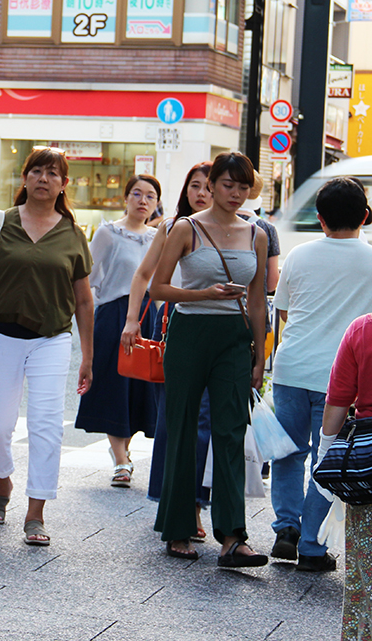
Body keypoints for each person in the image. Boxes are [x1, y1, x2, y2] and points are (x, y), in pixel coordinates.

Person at [0, 147, 94, 547]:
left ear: (64, 184)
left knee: (47, 425)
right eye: (36, 171)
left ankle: (36, 513)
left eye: (53, 173)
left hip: (52, 339)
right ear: (24, 178)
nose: (43, 178)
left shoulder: (72, 233)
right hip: (0, 336)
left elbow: (84, 301)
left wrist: (88, 355)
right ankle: (3, 485)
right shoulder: (0, 223)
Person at [149, 152, 268, 566]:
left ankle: (233, 537)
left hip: (235, 340)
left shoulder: (257, 234)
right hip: (189, 332)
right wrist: (204, 294)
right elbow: (158, 290)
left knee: (231, 432)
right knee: (181, 428)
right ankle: (178, 526)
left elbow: (257, 304)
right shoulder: (185, 228)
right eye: (227, 185)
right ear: (211, 185)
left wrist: (259, 358)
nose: (235, 193)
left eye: (243, 186)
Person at [268, 176, 372, 571]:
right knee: (329, 457)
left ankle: (285, 527)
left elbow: (285, 311)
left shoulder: (298, 255)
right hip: (341, 377)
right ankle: (311, 544)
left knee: (288, 452)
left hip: (292, 366)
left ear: (320, 218)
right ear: (364, 217)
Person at [122, 162, 213, 540]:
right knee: (173, 421)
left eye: (210, 186)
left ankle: (194, 504)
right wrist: (132, 320)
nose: (202, 193)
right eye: (195, 185)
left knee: (205, 424)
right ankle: (175, 502)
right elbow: (144, 275)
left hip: (216, 327)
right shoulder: (172, 226)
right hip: (172, 322)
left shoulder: (236, 229)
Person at [75, 175, 159, 488]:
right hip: (114, 316)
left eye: (150, 196)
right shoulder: (109, 233)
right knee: (114, 385)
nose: (142, 200)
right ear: (125, 198)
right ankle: (120, 458)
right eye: (136, 194)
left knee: (140, 388)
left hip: (148, 315)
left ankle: (124, 450)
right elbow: (90, 277)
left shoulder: (157, 237)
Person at [320, 314, 372, 639]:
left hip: (368, 465)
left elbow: (338, 400)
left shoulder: (363, 329)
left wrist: (328, 453)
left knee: (362, 577)